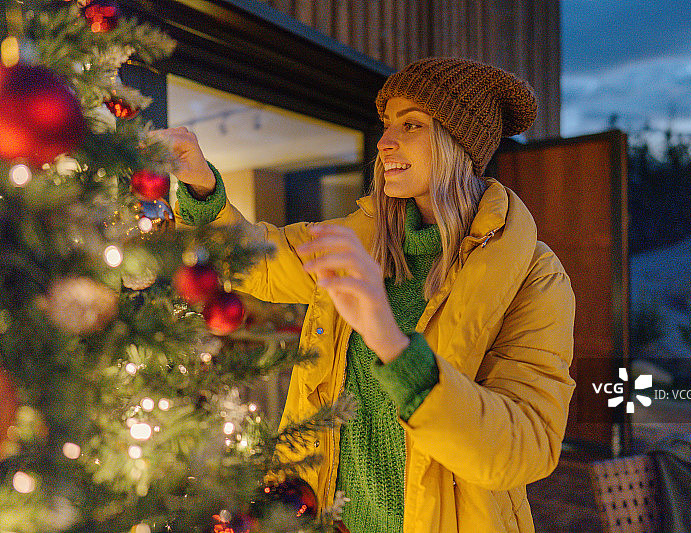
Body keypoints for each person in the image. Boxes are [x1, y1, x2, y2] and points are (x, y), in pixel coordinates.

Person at [162, 56, 575, 533]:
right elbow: (263, 263)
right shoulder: (358, 240)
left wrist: (390, 341)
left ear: (459, 144)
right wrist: (202, 187)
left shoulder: (532, 274)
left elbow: (526, 446)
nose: (386, 141)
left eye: (412, 123)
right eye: (386, 124)